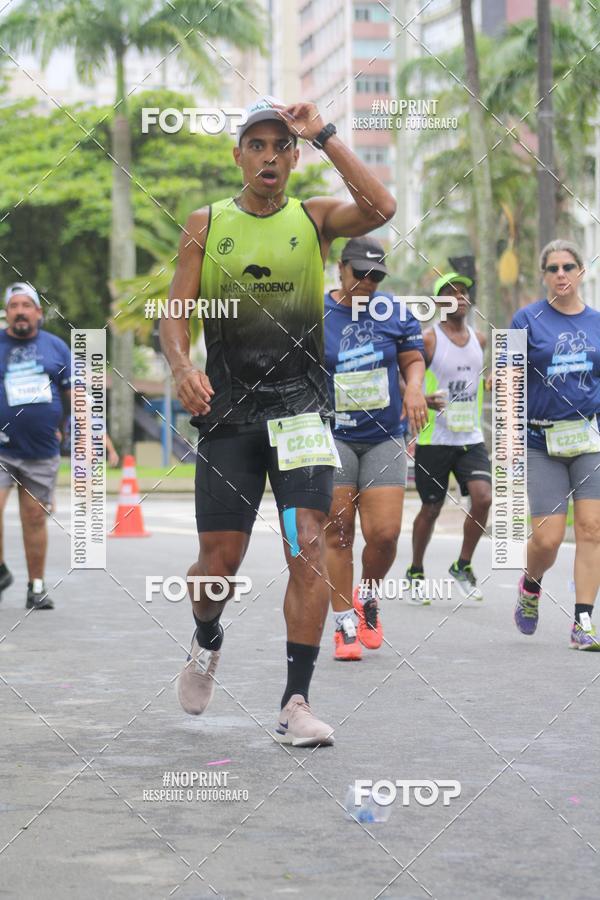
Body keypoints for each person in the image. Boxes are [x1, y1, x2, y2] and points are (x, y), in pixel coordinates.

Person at [160, 96, 397, 745]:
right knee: (217, 566)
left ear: (294, 157)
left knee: (309, 550)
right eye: (256, 146)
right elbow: (173, 314)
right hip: (230, 416)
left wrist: (325, 132)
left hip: (300, 417)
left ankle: (297, 701)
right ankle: (207, 635)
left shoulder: (313, 220)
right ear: (237, 155)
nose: (269, 156)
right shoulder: (206, 224)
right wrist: (182, 366)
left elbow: (380, 209)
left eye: (280, 146)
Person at [323, 237, 427, 660]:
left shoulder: (394, 313)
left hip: (384, 434)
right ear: (340, 269)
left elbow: (413, 359)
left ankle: (367, 596)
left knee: (384, 535)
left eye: (376, 276)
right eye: (359, 273)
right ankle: (344, 623)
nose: (367, 282)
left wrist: (415, 388)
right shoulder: (317, 317)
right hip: (333, 435)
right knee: (339, 532)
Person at [512, 240, 600, 650]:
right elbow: (507, 378)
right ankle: (531, 584)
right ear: (544, 275)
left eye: (568, 266)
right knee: (547, 539)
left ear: (581, 271)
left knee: (592, 529)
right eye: (553, 268)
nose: (561, 274)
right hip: (539, 440)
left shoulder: (597, 323)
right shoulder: (526, 319)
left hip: (587, 439)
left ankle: (583, 621)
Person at [407, 273, 491, 602]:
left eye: (464, 293)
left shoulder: (479, 339)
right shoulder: (429, 340)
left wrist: (490, 380)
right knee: (431, 508)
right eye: (451, 293)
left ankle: (463, 564)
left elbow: (479, 375)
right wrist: (418, 397)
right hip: (435, 439)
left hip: (469, 436)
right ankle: (415, 570)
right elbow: (406, 375)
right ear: (438, 302)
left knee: (483, 498)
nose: (459, 298)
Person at [0, 282, 71, 610]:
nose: (20, 311)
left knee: (34, 517)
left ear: (38, 313)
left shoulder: (56, 347)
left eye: (26, 305)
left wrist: (67, 431)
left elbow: (73, 397)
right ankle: (1, 571)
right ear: (7, 313)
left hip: (41, 450)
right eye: (13, 306)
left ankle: (36, 586)